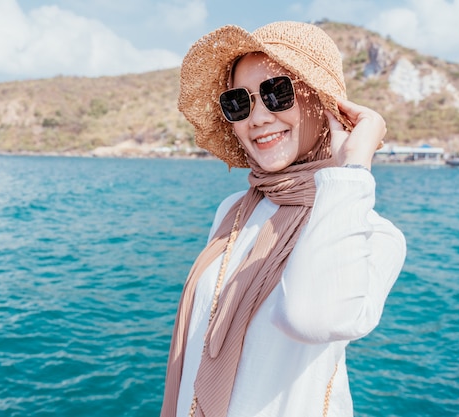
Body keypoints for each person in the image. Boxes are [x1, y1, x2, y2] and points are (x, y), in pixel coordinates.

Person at [161, 21, 406, 417]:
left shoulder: (374, 236)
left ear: (323, 104)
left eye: (277, 93)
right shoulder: (233, 212)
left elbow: (312, 316)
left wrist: (353, 168)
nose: (256, 118)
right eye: (239, 102)